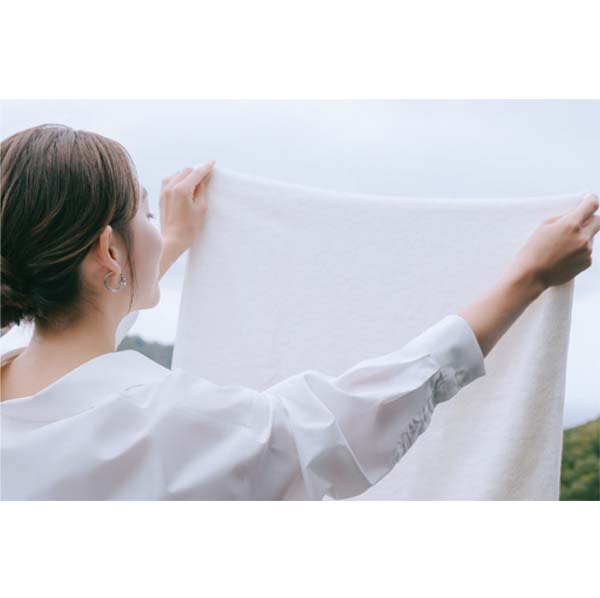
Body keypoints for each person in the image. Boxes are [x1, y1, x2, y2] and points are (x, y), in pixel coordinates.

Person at [0, 124, 598, 500]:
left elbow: (78, 362)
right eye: (146, 214)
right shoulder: (164, 423)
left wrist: (170, 243)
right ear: (109, 252)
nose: (157, 228)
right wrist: (526, 279)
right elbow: (345, 422)